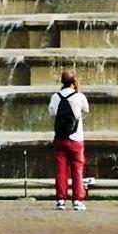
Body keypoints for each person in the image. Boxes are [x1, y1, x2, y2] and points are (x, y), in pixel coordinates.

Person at [48, 70, 90, 211]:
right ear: (73, 81)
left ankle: (61, 200)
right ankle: (77, 200)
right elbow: (86, 110)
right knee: (77, 170)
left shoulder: (56, 96)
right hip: (76, 138)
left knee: (61, 170)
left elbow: (52, 112)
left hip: (60, 137)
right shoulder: (79, 96)